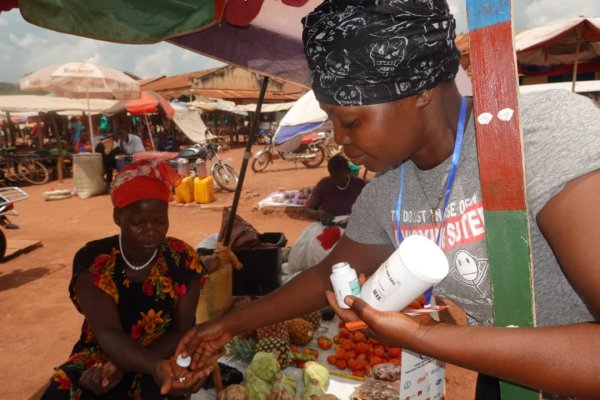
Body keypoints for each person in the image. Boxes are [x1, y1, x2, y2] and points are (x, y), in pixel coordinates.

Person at [171, 1, 600, 399]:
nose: (339, 140)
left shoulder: (538, 139)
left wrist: (422, 337)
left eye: (352, 121)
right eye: (332, 121)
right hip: (508, 376)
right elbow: (326, 277)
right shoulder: (389, 192)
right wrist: (227, 326)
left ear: (421, 91)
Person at [41, 159, 211, 399]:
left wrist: (140, 365)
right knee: (62, 391)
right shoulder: (95, 261)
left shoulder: (183, 258)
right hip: (104, 354)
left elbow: (181, 330)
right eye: (138, 222)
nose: (151, 230)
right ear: (118, 216)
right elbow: (108, 332)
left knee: (162, 391)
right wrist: (130, 363)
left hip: (164, 354)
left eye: (160, 221)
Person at [285, 154, 367, 276]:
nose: (336, 181)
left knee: (344, 255)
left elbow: (369, 212)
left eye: (340, 177)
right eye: (333, 177)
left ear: (348, 172)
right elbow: (308, 210)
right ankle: (316, 277)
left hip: (352, 228)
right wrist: (320, 214)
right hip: (325, 226)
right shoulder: (324, 184)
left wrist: (354, 219)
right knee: (310, 250)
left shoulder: (361, 185)